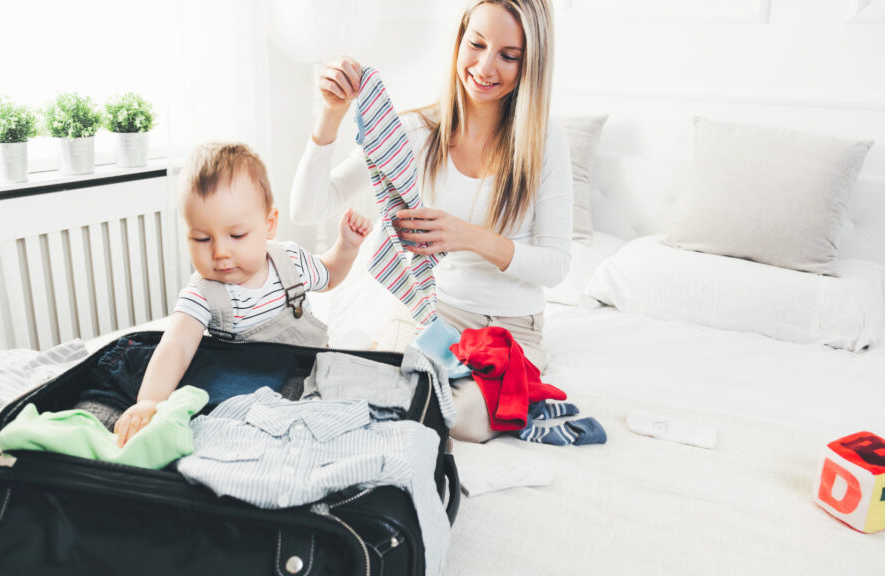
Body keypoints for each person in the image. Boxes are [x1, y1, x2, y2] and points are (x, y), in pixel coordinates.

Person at [290, 0, 571, 443]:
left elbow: (556, 265)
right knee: (349, 390)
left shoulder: (544, 140)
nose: (484, 66)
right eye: (476, 44)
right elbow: (307, 209)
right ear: (459, 40)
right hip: (432, 314)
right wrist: (330, 114)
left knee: (468, 423)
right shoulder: (415, 132)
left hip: (511, 326)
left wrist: (469, 237)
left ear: (530, 63)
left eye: (508, 55)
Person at [113, 142, 372, 446]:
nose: (220, 252)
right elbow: (175, 347)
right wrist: (149, 402)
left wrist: (347, 247)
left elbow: (329, 275)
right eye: (202, 238)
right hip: (249, 394)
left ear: (269, 224)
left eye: (236, 235)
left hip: (310, 369)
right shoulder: (203, 294)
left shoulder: (290, 261)